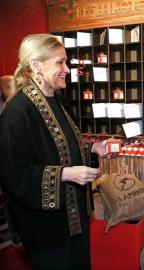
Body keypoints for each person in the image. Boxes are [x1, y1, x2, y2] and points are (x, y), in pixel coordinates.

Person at [0, 34, 108, 270]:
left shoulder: (61, 102)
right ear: (37, 64)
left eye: (65, 62)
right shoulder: (18, 112)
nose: (67, 69)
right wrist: (65, 175)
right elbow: (13, 173)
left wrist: (91, 148)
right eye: (60, 62)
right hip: (47, 227)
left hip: (76, 219)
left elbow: (60, 147)